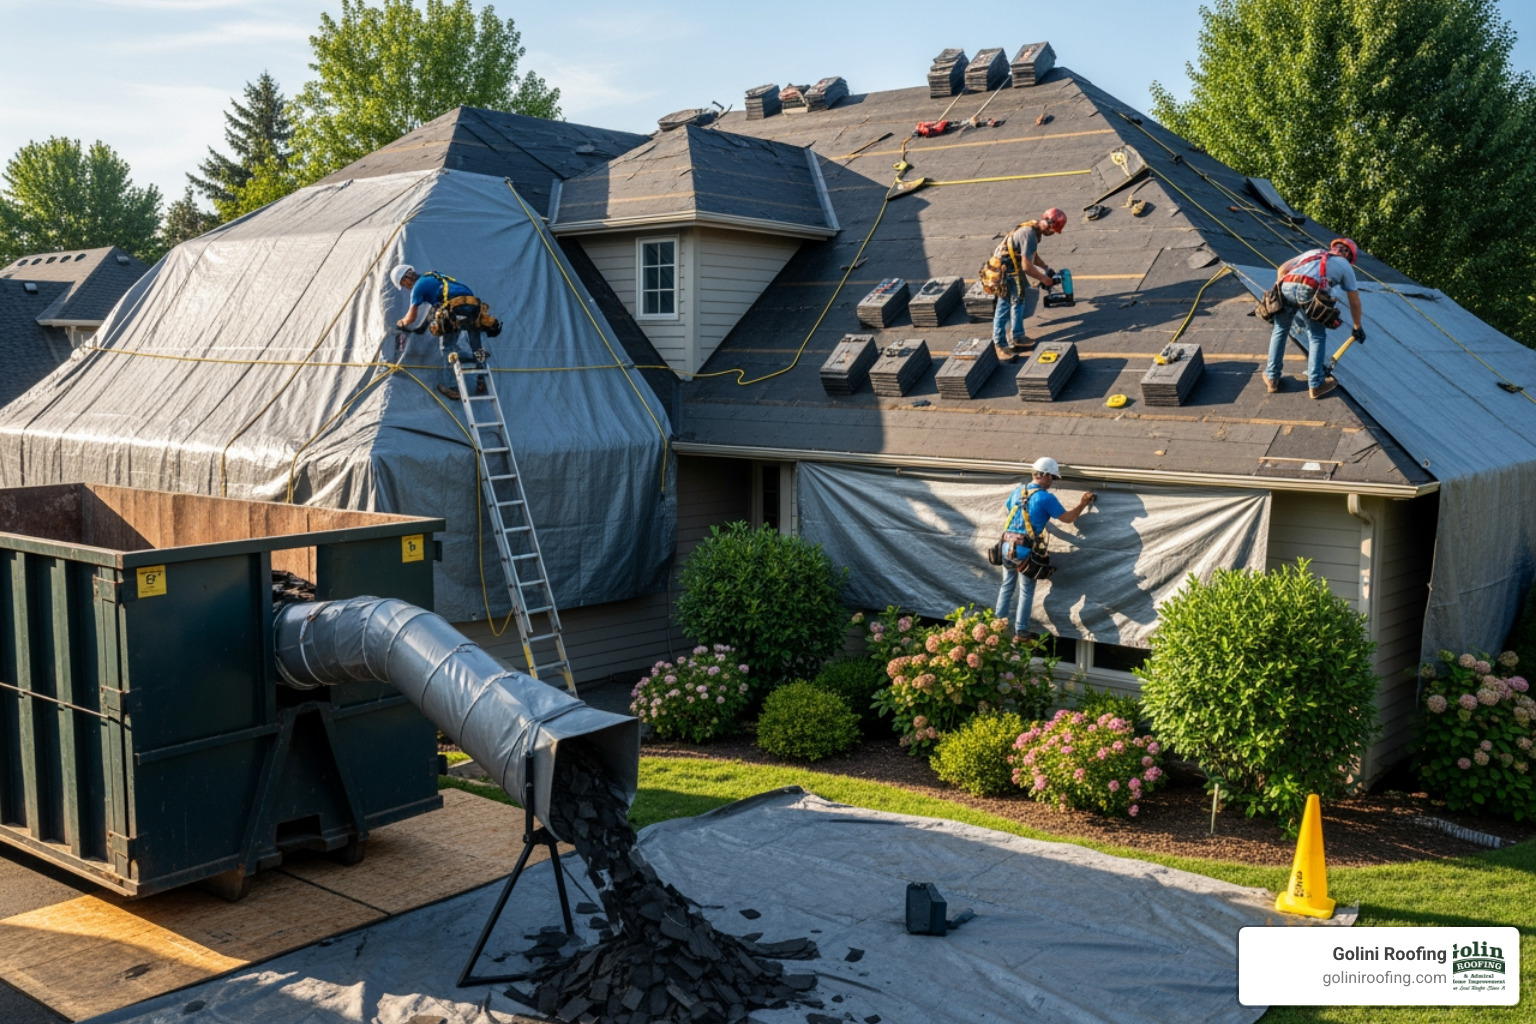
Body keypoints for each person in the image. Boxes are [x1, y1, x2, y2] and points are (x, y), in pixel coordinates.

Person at [994, 456, 1095, 636]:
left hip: (1005, 546)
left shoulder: (1017, 491)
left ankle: (996, 625)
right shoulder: (1045, 498)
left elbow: (1012, 510)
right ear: (1045, 475)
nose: (1052, 482)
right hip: (1025, 550)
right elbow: (1068, 518)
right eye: (1053, 478)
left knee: (1007, 585)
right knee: (1026, 590)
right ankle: (1021, 630)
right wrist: (1083, 503)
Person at [1264, 238, 1365, 400]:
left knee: (1280, 329)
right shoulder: (1346, 266)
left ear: (1333, 248)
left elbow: (1283, 269)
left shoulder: (1314, 252)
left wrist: (1281, 291)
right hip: (1311, 290)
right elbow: (1354, 300)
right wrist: (1357, 326)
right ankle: (1316, 384)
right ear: (1349, 257)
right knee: (1316, 336)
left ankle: (1271, 378)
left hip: (1288, 283)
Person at [391, 264, 489, 400]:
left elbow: (411, 317)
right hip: (474, 307)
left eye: (404, 285)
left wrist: (401, 323)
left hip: (455, 310)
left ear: (405, 280)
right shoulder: (433, 277)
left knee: (447, 347)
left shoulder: (418, 287)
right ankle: (481, 380)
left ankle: (451, 387)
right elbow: (428, 310)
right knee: (476, 347)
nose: (407, 288)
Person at [991, 208, 1066, 361]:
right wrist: (1044, 279)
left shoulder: (1034, 228)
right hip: (1003, 270)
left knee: (1019, 301)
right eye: (1054, 231)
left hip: (1013, 268)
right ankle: (999, 345)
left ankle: (1017, 336)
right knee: (1004, 306)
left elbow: (1031, 254)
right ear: (1051, 227)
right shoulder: (1029, 234)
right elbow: (1027, 267)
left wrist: (1046, 268)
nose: (1053, 234)